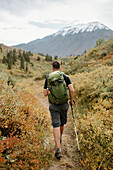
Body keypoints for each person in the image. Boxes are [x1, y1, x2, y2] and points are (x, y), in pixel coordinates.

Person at [44, 61, 74, 160]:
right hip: (64, 104)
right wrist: (71, 100)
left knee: (55, 124)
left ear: (52, 68)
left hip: (53, 105)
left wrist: (52, 92)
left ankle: (58, 148)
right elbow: (72, 90)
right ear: (60, 67)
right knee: (61, 124)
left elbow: (45, 93)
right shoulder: (65, 77)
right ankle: (59, 139)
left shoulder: (48, 77)